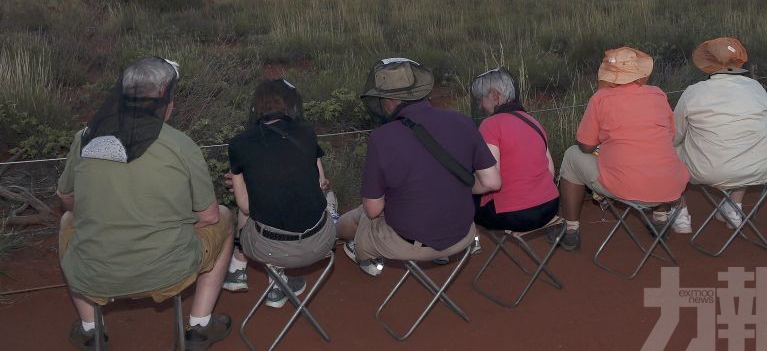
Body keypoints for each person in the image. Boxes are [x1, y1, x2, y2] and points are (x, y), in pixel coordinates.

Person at [57, 57, 233, 350]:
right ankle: (200, 326)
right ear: (165, 100)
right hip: (168, 271)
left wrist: (99, 213)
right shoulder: (181, 144)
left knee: (66, 223)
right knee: (225, 218)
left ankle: (91, 328)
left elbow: (65, 198)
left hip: (96, 270)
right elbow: (209, 215)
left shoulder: (85, 137)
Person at [336, 58, 502, 276]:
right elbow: (492, 182)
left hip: (409, 243)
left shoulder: (382, 138)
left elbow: (374, 209)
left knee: (357, 218)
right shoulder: (462, 121)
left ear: (388, 100)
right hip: (463, 236)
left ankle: (349, 246)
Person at [555, 47, 689, 250]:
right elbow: (669, 136)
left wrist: (605, 142)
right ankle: (660, 219)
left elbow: (586, 146)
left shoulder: (600, 99)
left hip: (625, 186)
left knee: (571, 155)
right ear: (638, 73)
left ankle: (571, 229)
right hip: (670, 186)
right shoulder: (657, 94)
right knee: (658, 153)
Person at [223, 78, 336, 308]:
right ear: (292, 106)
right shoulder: (306, 133)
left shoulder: (239, 143)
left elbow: (245, 207)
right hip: (321, 243)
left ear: (256, 108)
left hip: (268, 249)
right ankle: (276, 287)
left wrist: (250, 181)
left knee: (255, 209)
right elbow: (321, 182)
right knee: (328, 197)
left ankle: (238, 268)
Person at [670, 37, 767, 232]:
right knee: (746, 140)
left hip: (711, 170)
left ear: (708, 62)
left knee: (666, 151)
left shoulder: (694, 92)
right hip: (761, 168)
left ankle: (680, 215)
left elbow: (675, 135)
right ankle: (733, 208)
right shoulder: (756, 88)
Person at [469, 68, 559, 231]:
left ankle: (469, 244)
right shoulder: (533, 121)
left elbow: (491, 182)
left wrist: (466, 185)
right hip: (549, 207)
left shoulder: (490, 124)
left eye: (482, 98)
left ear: (494, 95)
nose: (481, 104)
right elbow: (550, 172)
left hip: (515, 215)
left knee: (462, 193)